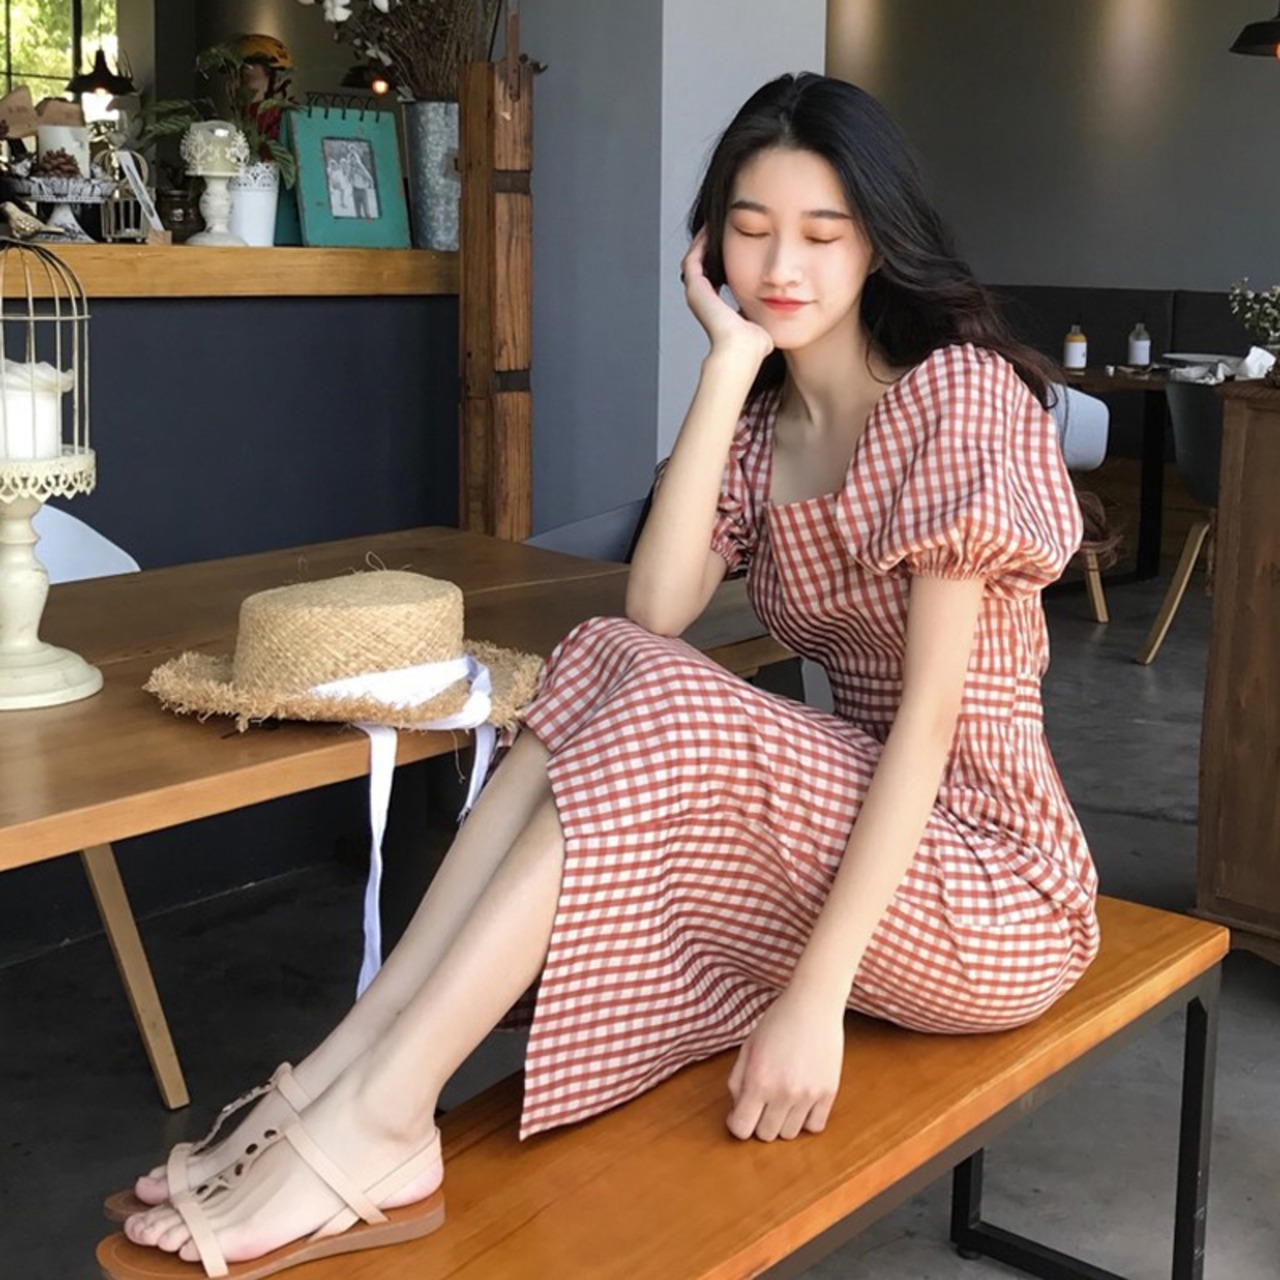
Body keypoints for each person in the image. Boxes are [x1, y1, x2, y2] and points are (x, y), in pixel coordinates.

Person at [103, 72, 1099, 1278]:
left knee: (665, 693)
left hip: (989, 880)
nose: (781, 264)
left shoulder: (956, 399)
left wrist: (811, 997)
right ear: (709, 241)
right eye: (749, 229)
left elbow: (927, 731)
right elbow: (653, 607)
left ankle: (385, 1114)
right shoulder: (762, 425)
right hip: (861, 838)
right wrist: (728, 363)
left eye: (821, 232)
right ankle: (342, 1071)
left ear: (878, 242)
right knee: (606, 651)